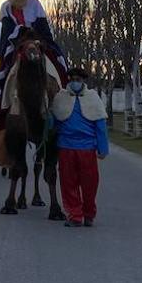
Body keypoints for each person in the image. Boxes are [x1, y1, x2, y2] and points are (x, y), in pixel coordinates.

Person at [0, 0, 67, 105]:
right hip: (16, 41)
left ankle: (64, 87)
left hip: (36, 39)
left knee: (57, 57)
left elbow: (42, 26)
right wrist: (20, 33)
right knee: (5, 64)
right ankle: (1, 99)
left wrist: (37, 37)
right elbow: (7, 30)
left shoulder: (35, 4)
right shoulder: (5, 6)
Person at [50, 68, 109, 227]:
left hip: (87, 148)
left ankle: (89, 214)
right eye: (73, 79)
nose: (75, 82)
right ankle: (75, 215)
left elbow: (100, 125)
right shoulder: (60, 97)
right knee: (68, 183)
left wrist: (103, 148)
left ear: (83, 81)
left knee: (90, 183)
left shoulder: (93, 98)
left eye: (78, 79)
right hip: (66, 147)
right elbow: (53, 123)